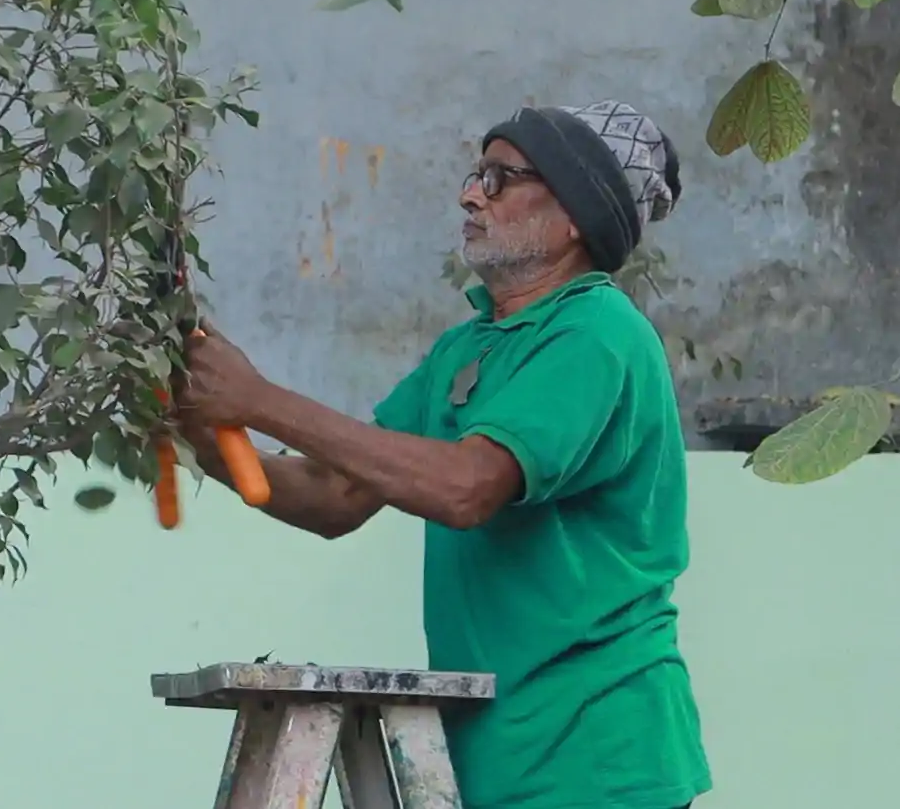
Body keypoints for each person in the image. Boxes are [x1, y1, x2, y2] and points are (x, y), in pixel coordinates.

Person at [172, 100, 711, 809]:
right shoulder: (468, 347)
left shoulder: (597, 333)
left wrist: (258, 400)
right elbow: (334, 497)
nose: (470, 195)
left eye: (500, 178)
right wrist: (200, 433)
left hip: (596, 756)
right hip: (491, 751)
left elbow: (467, 488)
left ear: (574, 216)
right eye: (475, 174)